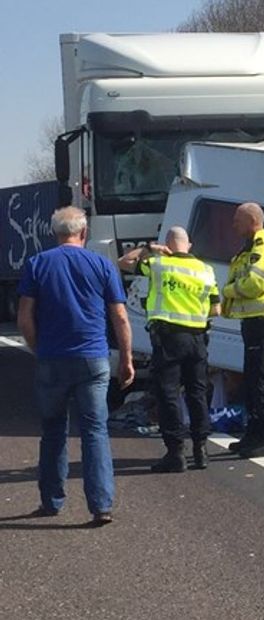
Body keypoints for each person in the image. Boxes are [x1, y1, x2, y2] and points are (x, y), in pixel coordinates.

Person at [16, 206, 135, 526]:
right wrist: (126, 358)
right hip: (93, 359)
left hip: (52, 358)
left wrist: (37, 347)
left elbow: (25, 315)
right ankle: (101, 505)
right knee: (95, 430)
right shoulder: (102, 265)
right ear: (84, 233)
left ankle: (52, 500)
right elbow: (120, 316)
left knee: (53, 430)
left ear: (55, 233)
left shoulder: (37, 264)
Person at [118, 227, 219, 472]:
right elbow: (216, 310)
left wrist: (150, 248)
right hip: (198, 338)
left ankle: (176, 453)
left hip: (169, 337)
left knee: (169, 393)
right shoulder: (206, 271)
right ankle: (201, 449)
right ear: (190, 245)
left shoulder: (158, 265)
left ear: (168, 245)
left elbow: (124, 262)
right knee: (197, 392)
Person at [221, 202, 264, 458]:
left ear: (252, 221)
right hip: (254, 321)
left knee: (260, 380)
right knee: (251, 380)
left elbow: (256, 283)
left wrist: (227, 291)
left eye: (238, 220)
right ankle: (253, 434)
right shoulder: (250, 247)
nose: (233, 224)